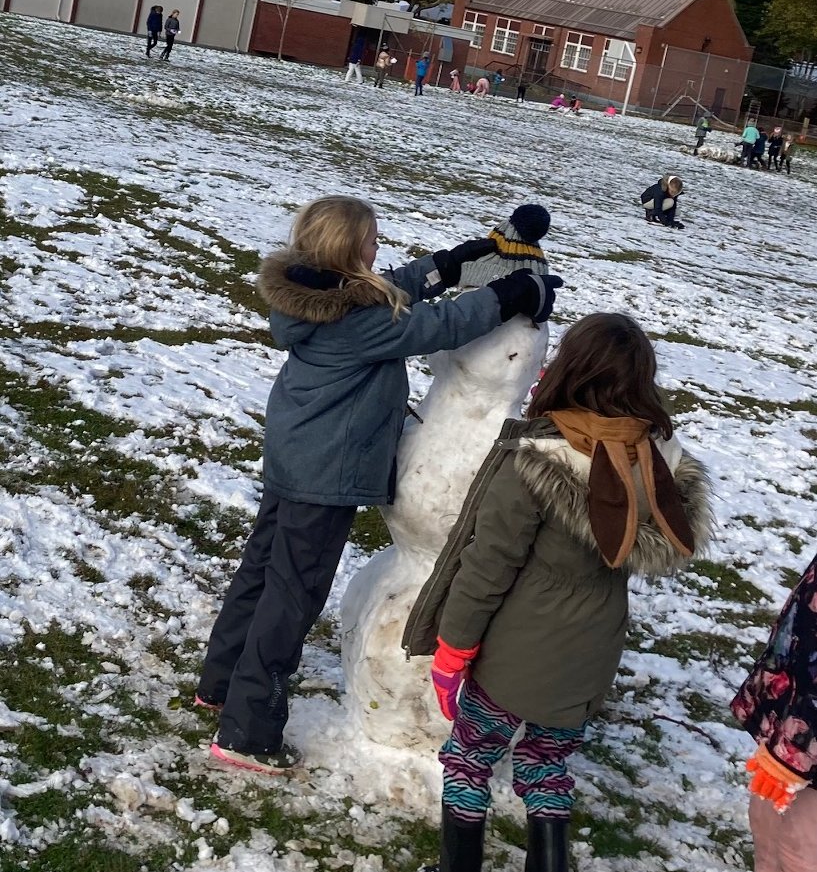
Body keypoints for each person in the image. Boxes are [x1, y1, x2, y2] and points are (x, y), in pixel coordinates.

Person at [196, 196, 564, 775]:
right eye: (370, 240)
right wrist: (514, 295)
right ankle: (248, 729)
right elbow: (438, 325)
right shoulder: (360, 322)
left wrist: (453, 261)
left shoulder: (317, 296)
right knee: (293, 592)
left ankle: (219, 680)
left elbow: (388, 286)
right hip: (324, 475)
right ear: (347, 252)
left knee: (263, 567)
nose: (378, 247)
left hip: (295, 455)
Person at [410, 313, 713, 872]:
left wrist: (453, 649)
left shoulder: (538, 459)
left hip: (513, 656)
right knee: (546, 765)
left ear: (570, 369)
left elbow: (488, 565)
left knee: (470, 761)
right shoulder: (658, 464)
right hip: (590, 656)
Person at [731, 551, 817, 872]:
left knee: (800, 852)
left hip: (805, 729)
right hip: (795, 696)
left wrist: (796, 750)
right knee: (767, 832)